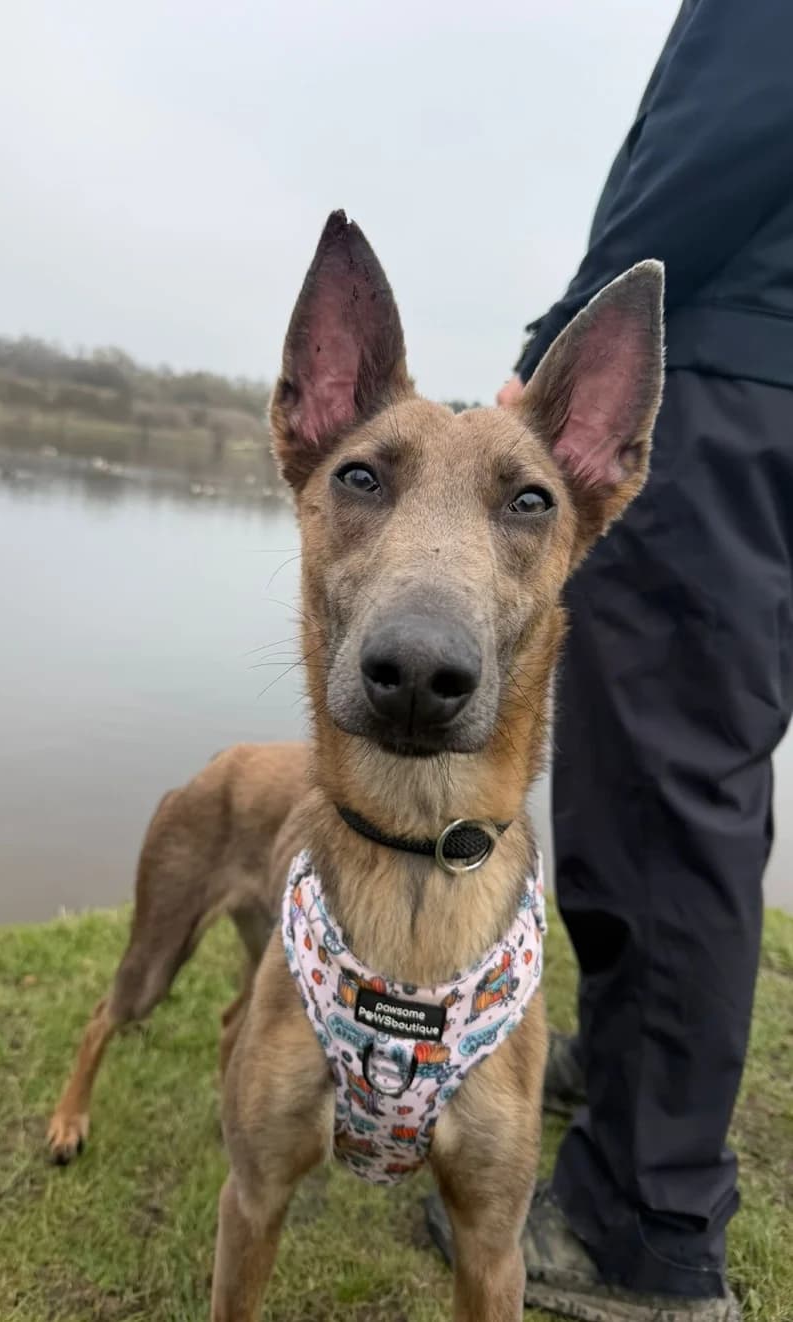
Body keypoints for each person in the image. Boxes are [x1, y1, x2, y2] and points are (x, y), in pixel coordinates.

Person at [426, 2, 793, 1318]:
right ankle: (627, 1075)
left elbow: (727, 126)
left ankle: (644, 1226)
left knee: (665, 799)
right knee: (695, 779)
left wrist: (566, 345)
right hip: (771, 380)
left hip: (732, 370)